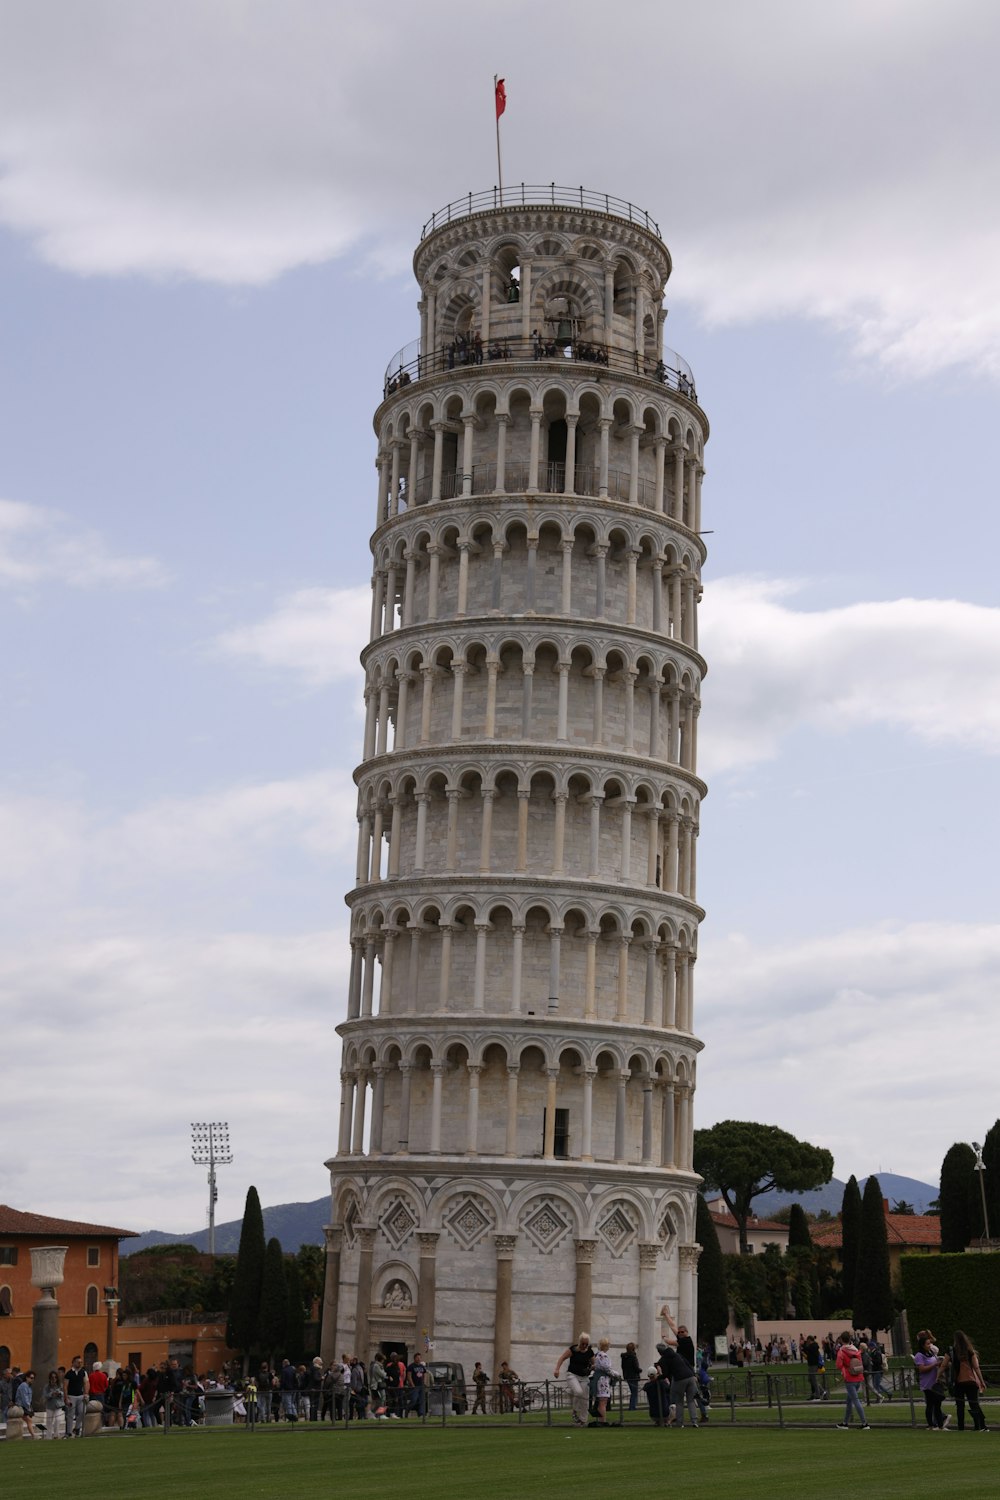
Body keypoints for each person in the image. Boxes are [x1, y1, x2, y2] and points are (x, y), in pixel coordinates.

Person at [656, 1342, 703, 1427]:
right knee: (691, 1401)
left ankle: (680, 1423)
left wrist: (658, 1377)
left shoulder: (663, 1360)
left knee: (679, 1402)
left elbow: (666, 1374)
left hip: (679, 1379)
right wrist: (693, 1374)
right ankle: (694, 1421)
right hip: (690, 1376)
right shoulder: (677, 1355)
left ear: (659, 1351)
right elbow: (688, 1364)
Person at [554, 1332, 595, 1428]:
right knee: (578, 1392)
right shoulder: (573, 1349)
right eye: (582, 1344)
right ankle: (575, 1411)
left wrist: (592, 1367)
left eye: (586, 1344)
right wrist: (557, 1369)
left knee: (585, 1399)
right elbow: (562, 1358)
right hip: (572, 1375)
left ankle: (583, 1420)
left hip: (584, 1377)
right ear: (579, 1342)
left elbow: (595, 1363)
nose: (584, 1346)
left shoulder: (590, 1352)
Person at [950, 1330, 988, 1432]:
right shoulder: (970, 1352)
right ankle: (978, 1426)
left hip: (959, 1381)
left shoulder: (954, 1352)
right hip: (971, 1381)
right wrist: (982, 1381)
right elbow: (976, 1368)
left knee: (960, 1406)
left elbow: (946, 1364)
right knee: (974, 1404)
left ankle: (961, 1427)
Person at [834, 1331, 871, 1430]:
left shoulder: (841, 1351)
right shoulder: (855, 1349)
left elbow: (838, 1365)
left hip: (849, 1377)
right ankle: (845, 1422)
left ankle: (864, 1423)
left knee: (855, 1401)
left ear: (841, 1340)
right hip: (858, 1376)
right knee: (849, 1400)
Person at [913, 1330, 949, 1430]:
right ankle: (931, 1424)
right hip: (927, 1383)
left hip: (935, 1381)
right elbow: (922, 1369)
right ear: (923, 1345)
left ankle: (940, 1425)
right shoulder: (919, 1355)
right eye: (928, 1344)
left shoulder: (931, 1352)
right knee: (930, 1404)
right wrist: (934, 1364)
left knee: (937, 1403)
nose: (930, 1345)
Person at [64, 1354, 89, 1437]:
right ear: (73, 1363)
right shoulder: (69, 1373)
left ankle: (77, 1427)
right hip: (71, 1396)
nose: (80, 1364)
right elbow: (65, 1386)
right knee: (70, 1415)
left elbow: (86, 1383)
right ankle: (69, 1432)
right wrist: (66, 1398)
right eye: (78, 1362)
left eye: (81, 1362)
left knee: (82, 1412)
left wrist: (86, 1393)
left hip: (80, 1395)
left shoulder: (83, 1372)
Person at [592, 1337, 614, 1425]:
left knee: (601, 1401)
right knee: (603, 1401)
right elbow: (607, 1368)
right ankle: (602, 1421)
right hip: (603, 1380)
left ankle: (600, 1420)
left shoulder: (597, 1354)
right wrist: (616, 1374)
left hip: (599, 1379)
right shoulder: (603, 1355)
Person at [43, 1370, 67, 1438]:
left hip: (58, 1405)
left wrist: (59, 1393)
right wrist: (51, 1394)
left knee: (58, 1419)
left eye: (55, 1377)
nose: (54, 1379)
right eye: (52, 1377)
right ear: (50, 1378)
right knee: (49, 1421)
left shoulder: (60, 1385)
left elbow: (63, 1394)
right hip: (50, 1405)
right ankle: (49, 1436)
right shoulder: (47, 1386)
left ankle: (56, 1434)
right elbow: (45, 1395)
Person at [14, 1370, 37, 1437]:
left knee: (28, 1420)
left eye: (33, 1378)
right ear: (26, 1377)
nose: (32, 1379)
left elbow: (28, 1399)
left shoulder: (29, 1386)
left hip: (24, 1407)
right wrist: (29, 1408)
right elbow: (25, 1399)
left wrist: (30, 1408)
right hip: (21, 1407)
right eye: (31, 1378)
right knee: (29, 1420)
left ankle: (33, 1435)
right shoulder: (24, 1385)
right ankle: (33, 1435)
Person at [406, 1353, 427, 1417]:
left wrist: (424, 1382)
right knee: (414, 1400)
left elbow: (424, 1375)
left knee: (421, 1400)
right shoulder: (411, 1366)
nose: (419, 1359)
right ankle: (407, 1409)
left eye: (420, 1357)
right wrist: (412, 1384)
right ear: (414, 1358)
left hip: (421, 1385)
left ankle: (421, 1414)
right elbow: (409, 1376)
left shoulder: (422, 1366)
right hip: (414, 1386)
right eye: (417, 1357)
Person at [621, 1341, 641, 1410]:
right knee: (634, 1393)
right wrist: (640, 1370)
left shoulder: (624, 1357)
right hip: (634, 1377)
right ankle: (632, 1407)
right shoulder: (633, 1356)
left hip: (627, 1376)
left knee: (633, 1392)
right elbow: (636, 1367)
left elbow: (623, 1367)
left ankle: (632, 1406)